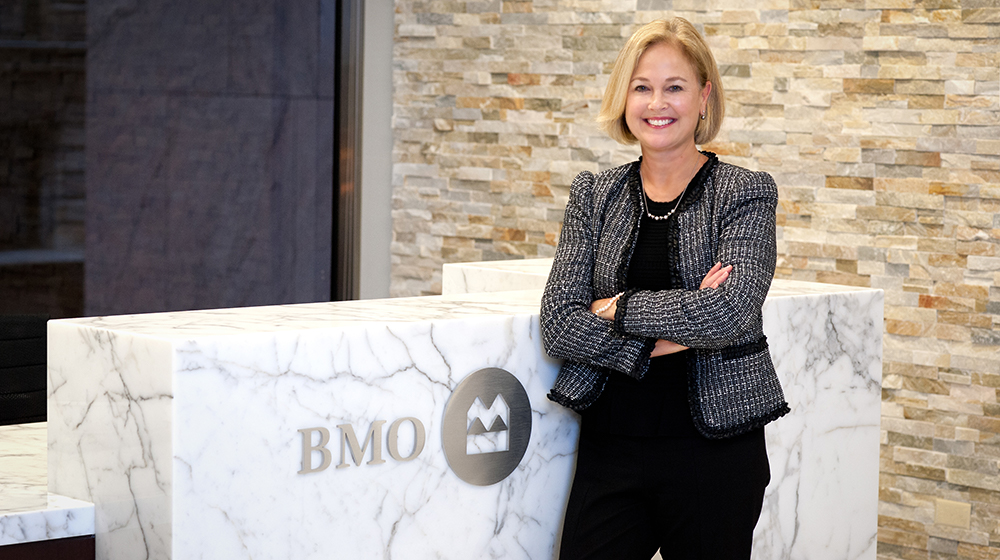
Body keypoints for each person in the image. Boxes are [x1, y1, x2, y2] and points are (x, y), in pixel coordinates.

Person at [539, 17, 790, 560]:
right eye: (642, 87)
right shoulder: (594, 193)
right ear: (624, 98)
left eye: (674, 87)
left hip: (715, 448)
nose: (658, 102)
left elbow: (729, 314)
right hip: (613, 443)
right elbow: (560, 323)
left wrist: (616, 308)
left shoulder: (745, 193)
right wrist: (678, 329)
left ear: (703, 97)